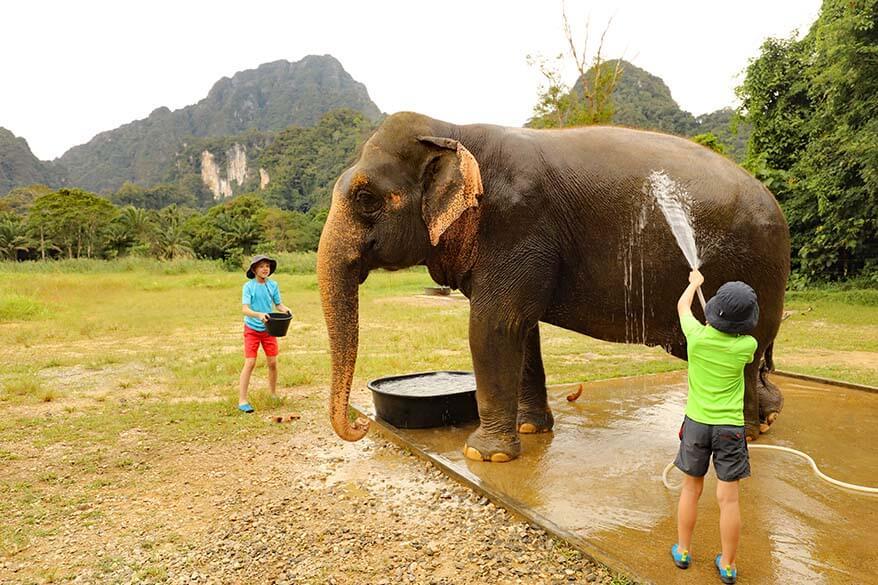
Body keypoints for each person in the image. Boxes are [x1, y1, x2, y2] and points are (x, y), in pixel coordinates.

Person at [670, 268, 759, 585]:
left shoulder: (695, 338)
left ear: (714, 311)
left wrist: (694, 285)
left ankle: (682, 551)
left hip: (696, 425)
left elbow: (682, 308)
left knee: (691, 490)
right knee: (729, 500)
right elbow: (737, 336)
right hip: (729, 429)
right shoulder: (746, 346)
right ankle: (729, 565)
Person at [238, 254, 291, 413]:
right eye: (261, 266)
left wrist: (286, 309)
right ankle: (242, 400)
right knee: (250, 363)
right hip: (252, 329)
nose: (265, 269)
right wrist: (259, 314)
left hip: (269, 329)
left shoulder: (273, 285)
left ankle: (273, 393)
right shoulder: (248, 286)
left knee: (273, 363)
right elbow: (245, 309)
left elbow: (278, 305)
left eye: (267, 266)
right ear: (254, 269)